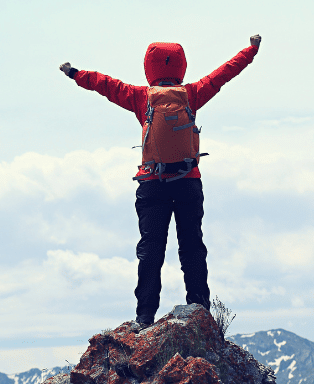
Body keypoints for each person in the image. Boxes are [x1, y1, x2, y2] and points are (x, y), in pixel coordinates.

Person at [59, 36, 261, 329]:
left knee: (151, 250)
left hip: (152, 181)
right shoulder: (191, 94)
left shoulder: (141, 97)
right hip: (188, 180)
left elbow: (106, 85)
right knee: (192, 247)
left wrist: (76, 74)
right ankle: (200, 310)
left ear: (148, 67)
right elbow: (224, 73)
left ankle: (144, 317)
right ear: (182, 65)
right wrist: (250, 51)